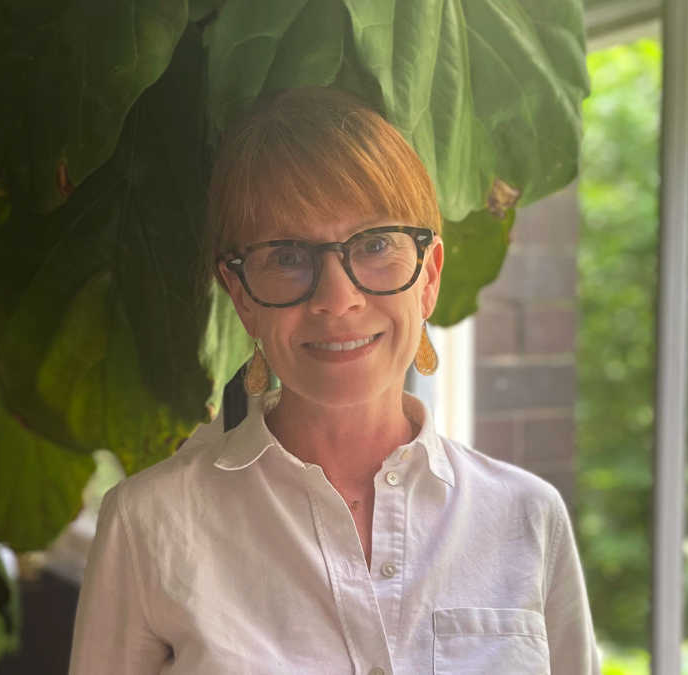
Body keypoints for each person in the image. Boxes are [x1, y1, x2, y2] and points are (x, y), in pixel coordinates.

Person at [67, 86, 600, 674]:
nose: (337, 299)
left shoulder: (527, 517)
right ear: (241, 296)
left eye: (375, 245)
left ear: (429, 277)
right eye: (288, 256)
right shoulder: (148, 526)